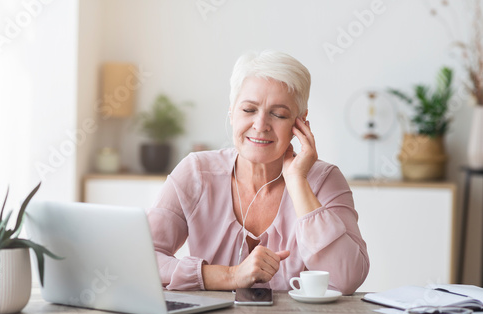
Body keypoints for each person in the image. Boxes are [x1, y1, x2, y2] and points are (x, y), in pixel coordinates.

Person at [147, 50, 369, 295]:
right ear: (231, 112)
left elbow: (347, 278)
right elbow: (141, 258)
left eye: (279, 114)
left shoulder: (324, 180)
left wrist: (297, 181)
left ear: (301, 122)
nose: (261, 125)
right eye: (249, 110)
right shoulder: (196, 172)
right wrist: (228, 275)